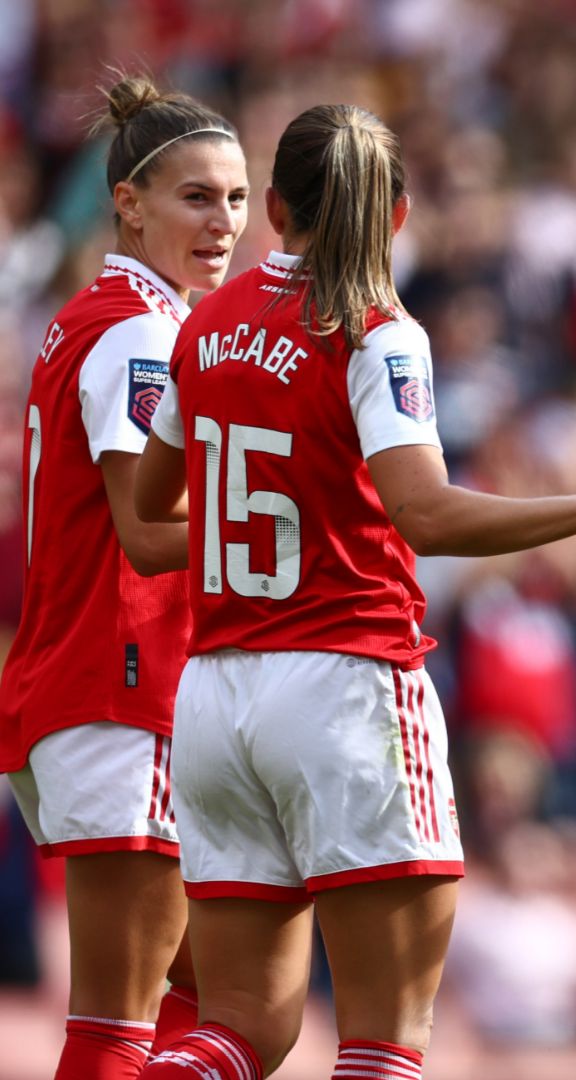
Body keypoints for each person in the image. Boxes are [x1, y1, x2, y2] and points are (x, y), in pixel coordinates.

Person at [128, 103, 576, 1080]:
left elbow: (149, 516)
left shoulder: (205, 321)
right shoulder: (378, 327)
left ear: (273, 208)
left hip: (217, 696)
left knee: (241, 1031)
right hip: (346, 687)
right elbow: (426, 516)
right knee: (386, 1041)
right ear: (397, 216)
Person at [0, 73, 246, 1079]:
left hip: (95, 685)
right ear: (128, 203)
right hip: (123, 682)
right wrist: (300, 525)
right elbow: (148, 527)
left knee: (215, 1003)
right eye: (196, 197)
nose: (223, 221)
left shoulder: (96, 318)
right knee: (119, 1026)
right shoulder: (143, 334)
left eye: (236, 197)